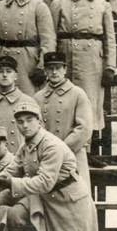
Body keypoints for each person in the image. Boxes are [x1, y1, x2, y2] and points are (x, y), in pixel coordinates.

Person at [0, 103, 117, 231]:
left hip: (68, 198)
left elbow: (44, 182)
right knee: (15, 216)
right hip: (44, 196)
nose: (25, 126)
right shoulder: (25, 146)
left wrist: (11, 182)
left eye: (29, 120)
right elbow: (12, 169)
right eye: (20, 122)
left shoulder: (51, 145)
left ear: (39, 121)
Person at [51, 0, 117, 141]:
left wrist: (110, 66)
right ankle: (65, 148)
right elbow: (51, 35)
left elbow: (110, 38)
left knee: (90, 102)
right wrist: (48, 63)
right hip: (67, 56)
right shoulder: (59, 4)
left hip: (92, 59)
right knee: (65, 102)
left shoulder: (103, 5)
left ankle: (90, 150)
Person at [34, 51, 94, 185]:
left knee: (77, 195)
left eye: (58, 68)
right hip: (46, 157)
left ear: (65, 70)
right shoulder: (38, 97)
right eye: (50, 68)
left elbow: (84, 128)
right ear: (45, 71)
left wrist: (62, 149)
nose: (54, 72)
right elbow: (35, 129)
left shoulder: (78, 94)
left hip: (73, 155)